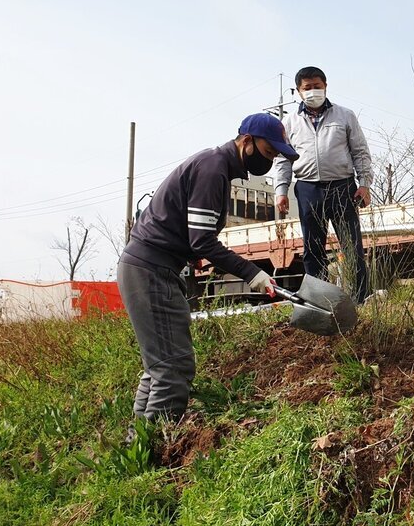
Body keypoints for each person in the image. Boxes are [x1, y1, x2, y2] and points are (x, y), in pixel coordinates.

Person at [118, 114, 299, 423]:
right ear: (246, 142)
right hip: (151, 270)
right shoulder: (213, 169)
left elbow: (192, 238)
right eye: (268, 152)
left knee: (160, 366)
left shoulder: (215, 166)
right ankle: (153, 452)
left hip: (153, 266)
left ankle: (139, 445)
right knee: (173, 367)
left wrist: (192, 254)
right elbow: (202, 240)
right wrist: (252, 272)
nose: (268, 162)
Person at [275, 66, 374, 304]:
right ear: (298, 91)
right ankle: (317, 303)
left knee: (351, 245)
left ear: (326, 86)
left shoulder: (345, 115)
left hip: (342, 187)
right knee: (313, 248)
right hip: (308, 189)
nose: (313, 91)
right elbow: (282, 159)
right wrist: (281, 191)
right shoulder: (289, 122)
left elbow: (360, 152)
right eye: (307, 88)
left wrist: (364, 184)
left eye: (317, 86)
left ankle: (360, 298)